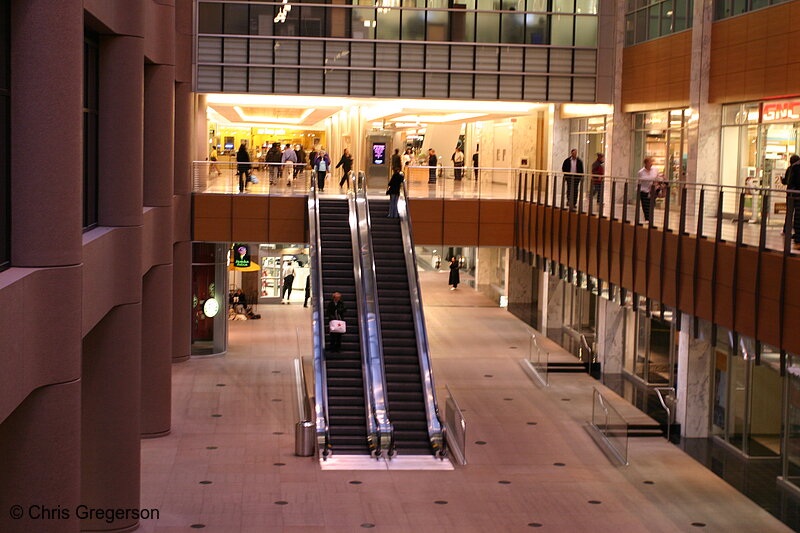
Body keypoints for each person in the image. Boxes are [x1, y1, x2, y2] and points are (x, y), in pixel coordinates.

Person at [637, 157, 660, 223]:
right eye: (650, 162)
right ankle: (647, 219)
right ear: (646, 163)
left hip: (652, 190)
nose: (651, 164)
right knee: (645, 205)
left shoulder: (655, 170)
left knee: (651, 205)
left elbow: (657, 177)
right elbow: (639, 182)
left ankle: (650, 218)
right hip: (644, 190)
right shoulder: (641, 172)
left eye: (651, 162)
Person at [786, 155, 800, 249]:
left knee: (796, 215)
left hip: (795, 196)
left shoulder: (795, 167)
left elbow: (790, 182)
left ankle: (797, 236)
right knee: (797, 216)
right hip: (796, 196)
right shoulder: (795, 167)